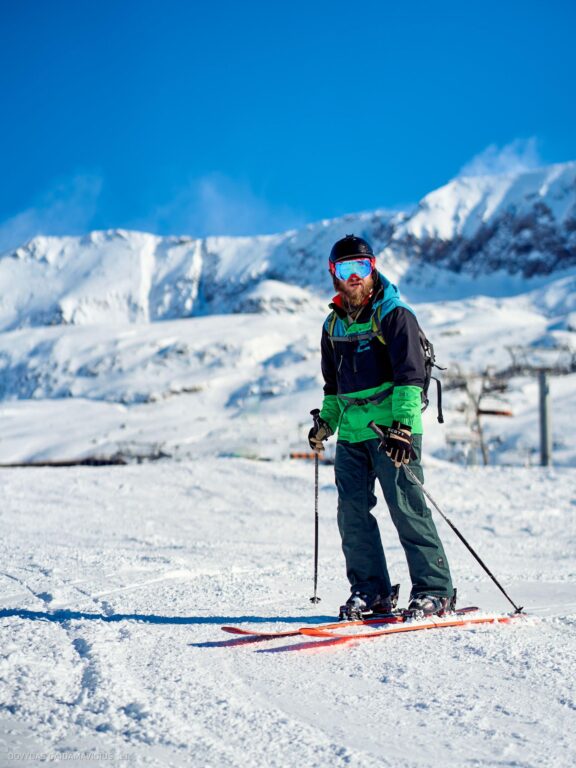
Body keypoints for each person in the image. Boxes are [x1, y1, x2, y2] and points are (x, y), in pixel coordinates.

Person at [308, 234, 455, 620]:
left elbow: (410, 377)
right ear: (333, 274)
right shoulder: (332, 326)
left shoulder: (395, 314)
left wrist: (404, 428)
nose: (354, 276)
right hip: (354, 435)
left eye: (362, 267)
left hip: (392, 430)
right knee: (352, 514)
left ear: (373, 270)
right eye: (345, 268)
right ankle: (371, 591)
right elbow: (334, 387)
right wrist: (326, 424)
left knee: (406, 508)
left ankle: (435, 590)